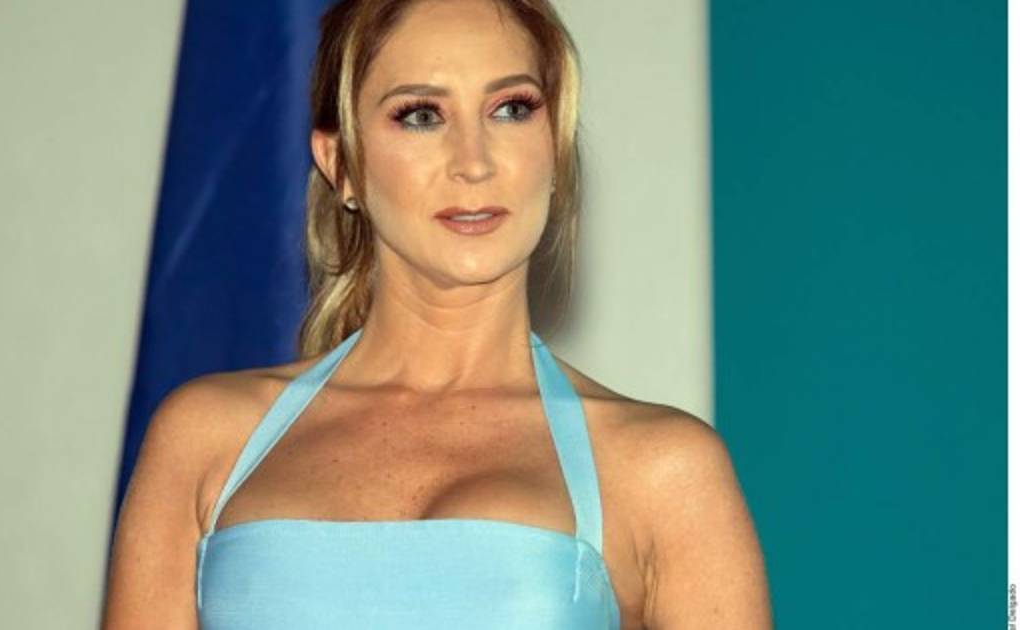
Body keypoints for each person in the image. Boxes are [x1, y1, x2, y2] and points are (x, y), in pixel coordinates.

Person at [102, 0, 772, 628]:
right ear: (341, 165)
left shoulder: (662, 468)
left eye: (511, 108)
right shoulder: (205, 439)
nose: (474, 163)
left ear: (555, 145)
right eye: (420, 115)